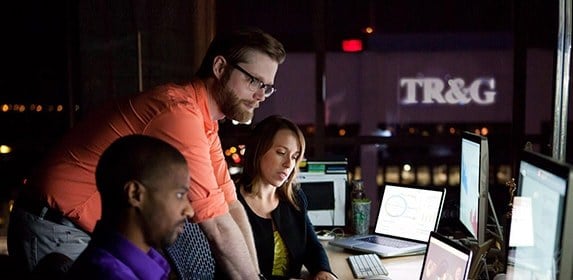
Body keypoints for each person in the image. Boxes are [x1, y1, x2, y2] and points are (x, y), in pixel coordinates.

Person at [8, 26, 286, 279]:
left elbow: (230, 205)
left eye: (267, 87)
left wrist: (257, 276)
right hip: (56, 228)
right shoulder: (179, 113)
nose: (261, 95)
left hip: (91, 232)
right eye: (253, 81)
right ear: (220, 67)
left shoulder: (205, 121)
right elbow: (216, 226)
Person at [66, 134, 194, 279]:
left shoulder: (143, 262)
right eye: (179, 195)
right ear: (135, 194)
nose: (190, 211)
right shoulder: (110, 275)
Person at [237, 115, 337, 280]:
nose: (288, 164)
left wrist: (323, 271)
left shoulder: (293, 198)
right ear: (258, 150)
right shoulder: (233, 204)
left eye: (294, 156)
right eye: (281, 152)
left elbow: (312, 246)